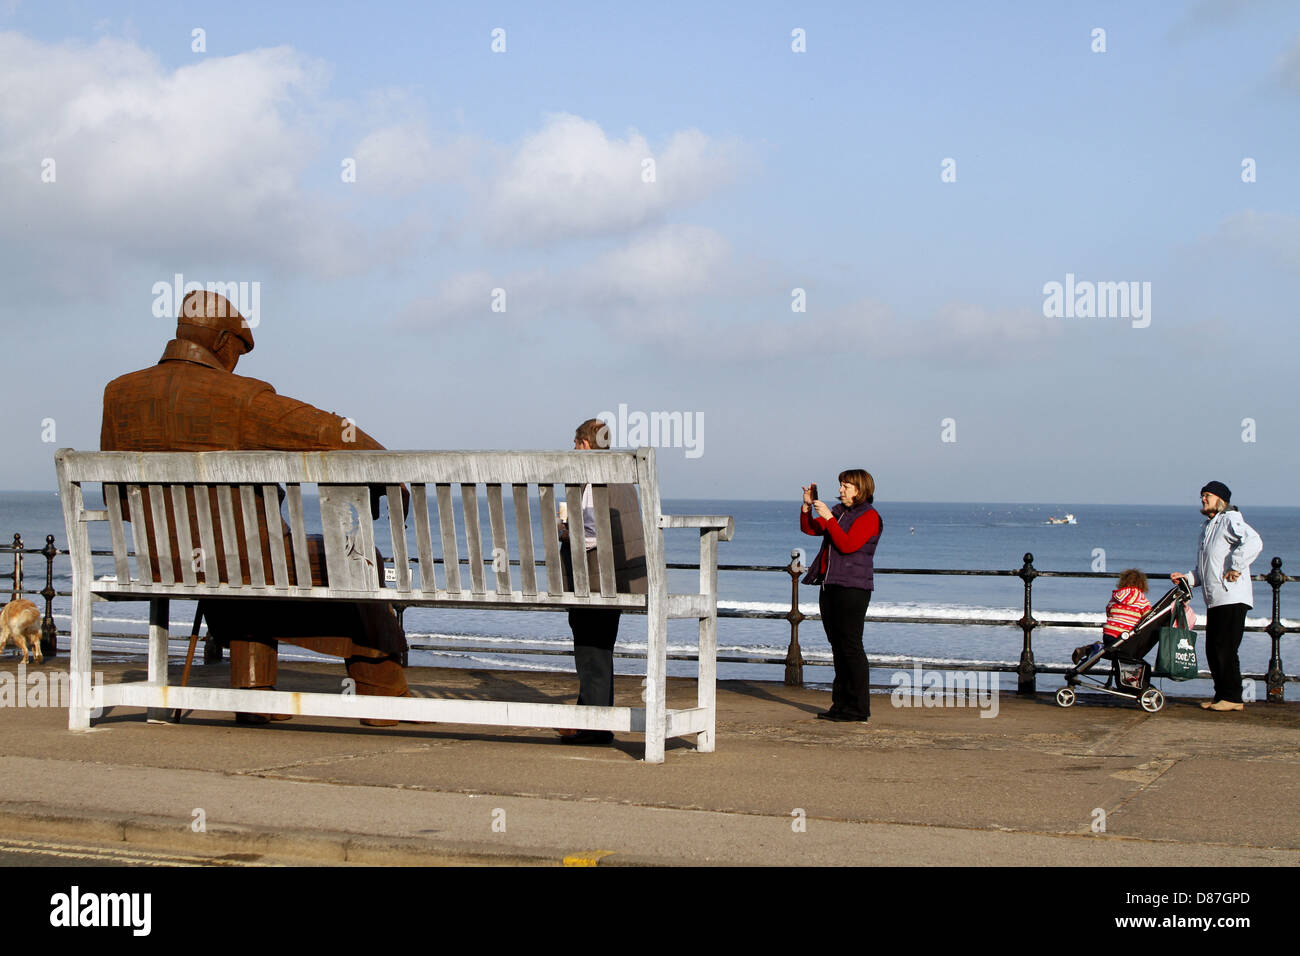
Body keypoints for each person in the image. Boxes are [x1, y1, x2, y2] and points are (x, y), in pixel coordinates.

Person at [100, 290, 410, 724]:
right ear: (225, 340)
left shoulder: (119, 394)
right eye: (240, 351)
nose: (238, 361)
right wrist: (390, 472)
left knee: (243, 563)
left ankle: (254, 696)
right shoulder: (240, 398)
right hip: (241, 563)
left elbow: (120, 504)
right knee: (358, 558)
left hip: (161, 563)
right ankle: (383, 700)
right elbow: (329, 431)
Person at [556, 418, 647, 745]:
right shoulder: (623, 477)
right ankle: (592, 718)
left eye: (575, 444)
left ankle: (594, 726)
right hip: (619, 579)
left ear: (583, 445)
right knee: (600, 648)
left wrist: (565, 530)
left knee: (589, 649)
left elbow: (592, 534)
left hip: (593, 577)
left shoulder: (593, 479)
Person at [1171, 481, 1262, 712]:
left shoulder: (1230, 519)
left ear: (1220, 499)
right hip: (1216, 598)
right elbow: (1206, 568)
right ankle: (1222, 695)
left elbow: (1254, 541)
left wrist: (1237, 566)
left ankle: (1233, 697)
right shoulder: (1208, 526)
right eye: (1202, 495)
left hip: (1232, 596)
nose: (1203, 499)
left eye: (1207, 495)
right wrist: (1187, 578)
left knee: (1225, 647)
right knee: (1213, 648)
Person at [800, 470, 883, 722]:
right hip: (830, 585)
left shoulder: (869, 516)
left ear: (860, 489)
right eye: (841, 485)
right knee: (837, 646)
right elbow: (811, 529)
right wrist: (807, 508)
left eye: (847, 485)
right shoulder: (838, 512)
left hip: (853, 588)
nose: (841, 489)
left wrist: (829, 518)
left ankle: (858, 708)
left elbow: (848, 545)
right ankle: (840, 705)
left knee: (851, 647)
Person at [1074, 569, 1154, 664]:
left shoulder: (1116, 596)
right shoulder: (1142, 599)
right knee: (1126, 655)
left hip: (1108, 635)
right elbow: (1149, 617)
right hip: (1124, 638)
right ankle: (1094, 648)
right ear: (1142, 584)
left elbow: (1108, 611)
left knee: (1111, 649)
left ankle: (1092, 649)